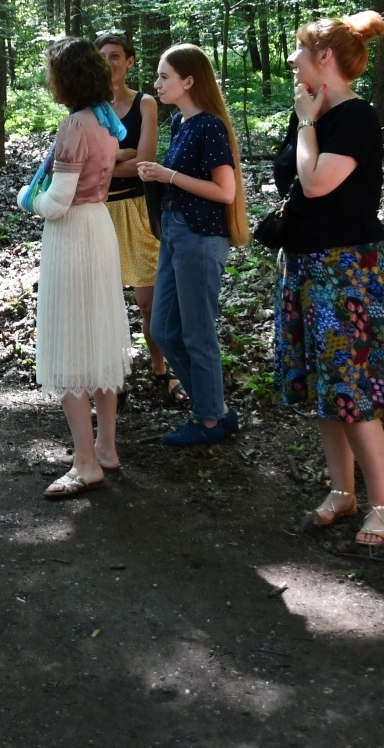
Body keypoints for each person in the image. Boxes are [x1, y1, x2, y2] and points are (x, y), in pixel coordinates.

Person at [274, 10, 384, 545]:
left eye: (299, 50)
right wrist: (304, 119)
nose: (290, 59)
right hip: (305, 264)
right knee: (325, 387)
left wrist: (307, 123)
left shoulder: (353, 116)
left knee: (353, 387)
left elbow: (316, 182)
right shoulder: (308, 110)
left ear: (324, 59)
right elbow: (291, 180)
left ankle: (382, 503)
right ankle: (342, 492)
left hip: (346, 270)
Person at [22, 39, 128, 497]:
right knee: (99, 338)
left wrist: (29, 201)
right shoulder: (107, 123)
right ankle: (106, 448)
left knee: (69, 343)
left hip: (73, 238)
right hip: (99, 229)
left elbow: (59, 202)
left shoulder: (74, 125)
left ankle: (85, 463)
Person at [135, 44, 249, 447]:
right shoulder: (182, 124)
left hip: (201, 238)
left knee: (198, 334)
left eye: (165, 76)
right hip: (175, 234)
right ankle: (213, 407)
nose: (157, 83)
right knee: (164, 329)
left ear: (188, 81)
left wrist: (167, 176)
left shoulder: (209, 126)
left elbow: (225, 190)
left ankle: (208, 420)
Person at [95, 34, 167, 393]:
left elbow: (145, 162)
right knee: (104, 304)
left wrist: (108, 163)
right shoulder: (88, 106)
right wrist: (120, 159)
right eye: (102, 57)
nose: (109, 63)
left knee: (148, 302)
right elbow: (83, 167)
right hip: (97, 211)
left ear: (130, 61)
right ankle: (113, 380)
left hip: (138, 208)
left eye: (116, 56)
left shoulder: (146, 103)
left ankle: (159, 369)